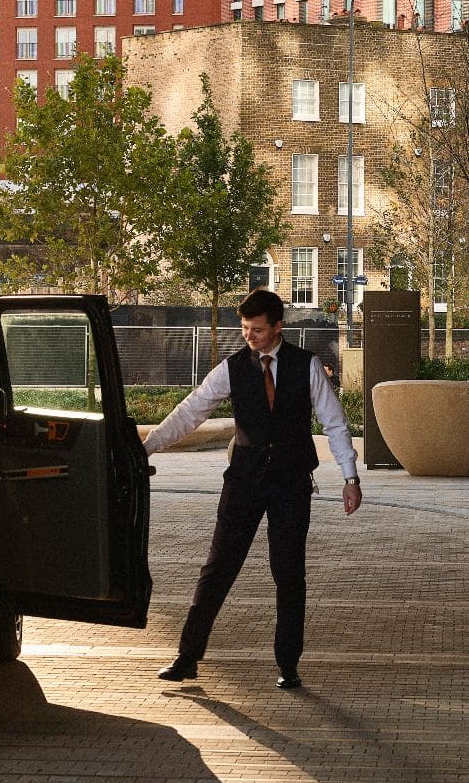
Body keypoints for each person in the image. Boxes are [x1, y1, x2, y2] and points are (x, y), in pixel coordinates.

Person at [143, 289, 361, 689]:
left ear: (278, 326)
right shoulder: (231, 368)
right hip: (243, 482)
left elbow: (334, 422)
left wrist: (350, 478)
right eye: (244, 329)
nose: (249, 336)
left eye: (257, 329)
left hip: (291, 483)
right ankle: (187, 656)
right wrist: (147, 448)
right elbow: (191, 411)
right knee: (218, 566)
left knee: (289, 572)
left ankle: (288, 665)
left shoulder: (306, 366)